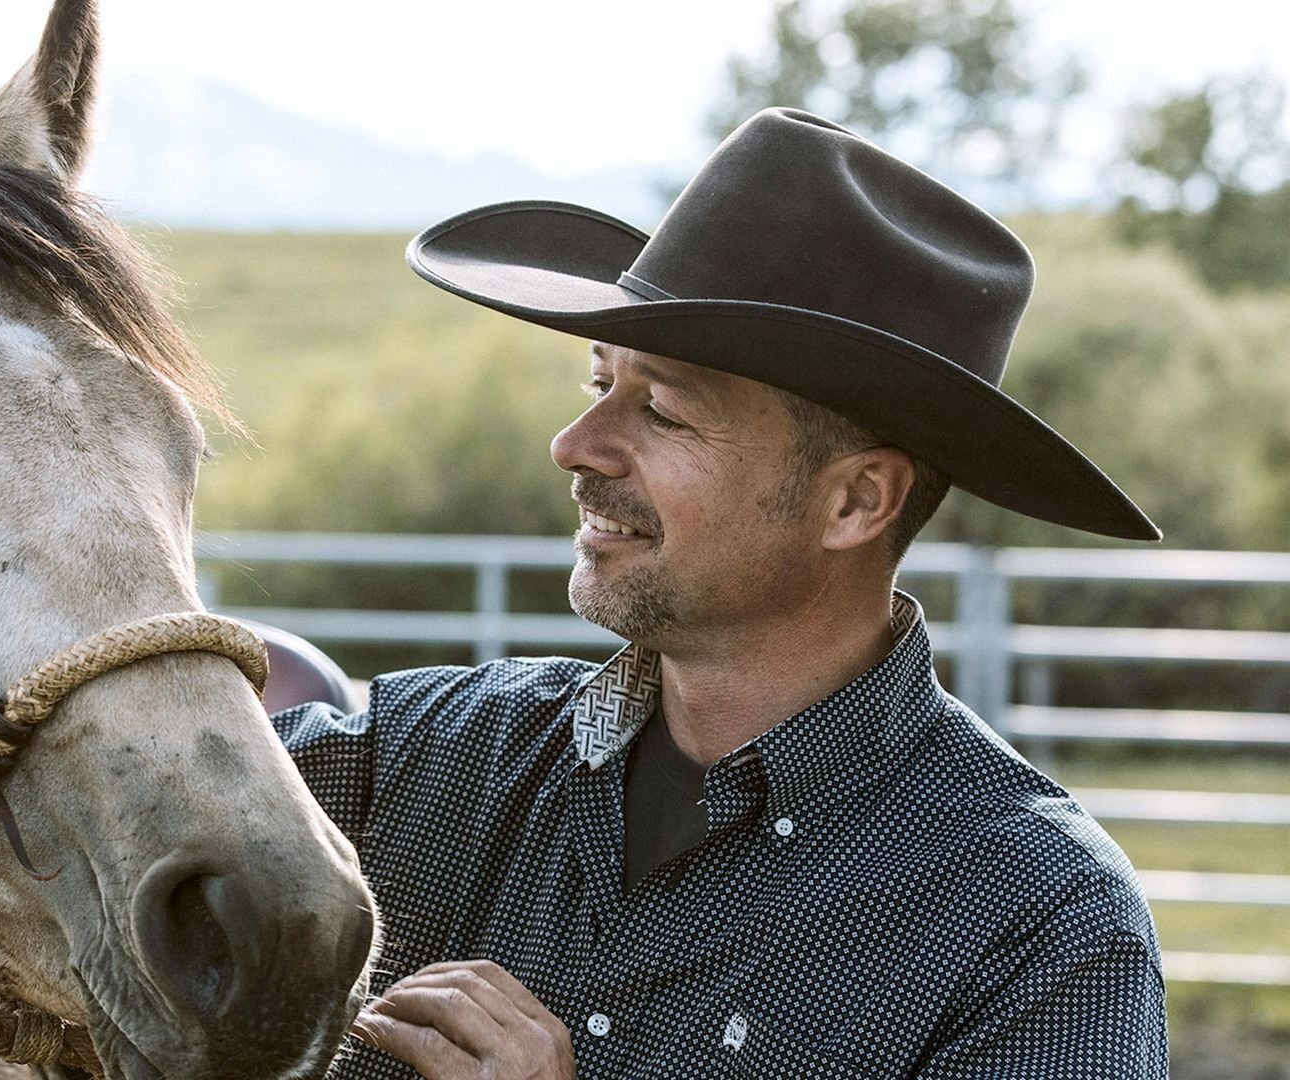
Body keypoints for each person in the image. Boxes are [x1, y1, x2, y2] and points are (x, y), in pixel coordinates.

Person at [273, 109, 1169, 1079]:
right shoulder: (427, 760)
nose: (575, 446)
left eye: (661, 410)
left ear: (858, 500)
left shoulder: (1037, 925)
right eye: (598, 381)